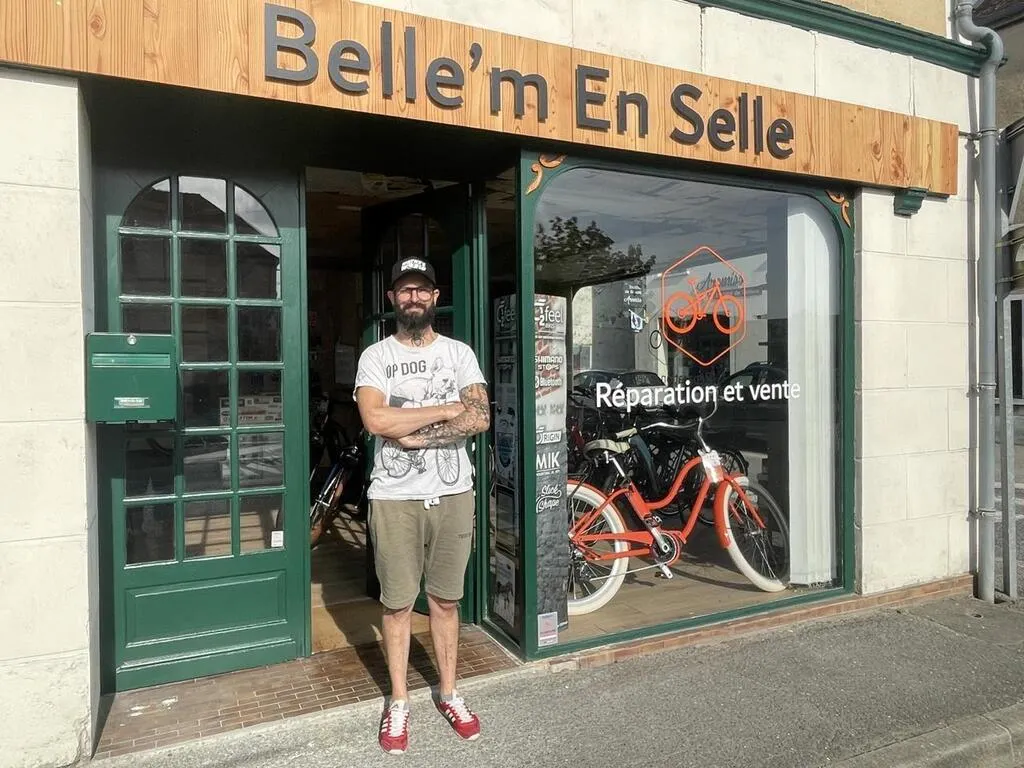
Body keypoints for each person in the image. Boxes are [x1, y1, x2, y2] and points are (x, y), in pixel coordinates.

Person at [353, 256, 490, 755]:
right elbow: (374, 420)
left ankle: (449, 693)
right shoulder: (376, 356)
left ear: (434, 297)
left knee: (446, 601)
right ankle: (399, 700)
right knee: (396, 605)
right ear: (393, 298)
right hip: (394, 497)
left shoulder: (459, 354)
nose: (413, 297)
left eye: (422, 289)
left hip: (453, 494)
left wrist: (413, 430)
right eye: (405, 290)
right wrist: (447, 409)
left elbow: (479, 417)